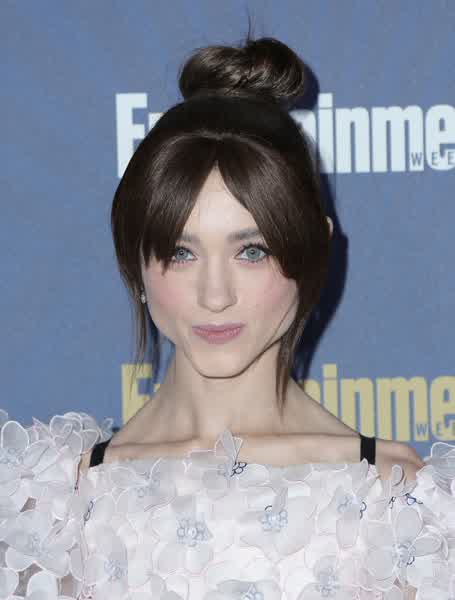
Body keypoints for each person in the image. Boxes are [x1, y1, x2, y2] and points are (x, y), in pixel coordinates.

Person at [1, 35, 453, 600]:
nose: (215, 296)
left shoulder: (399, 505)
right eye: (181, 252)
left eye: (251, 251)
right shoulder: (51, 510)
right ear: (135, 261)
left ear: (314, 249)